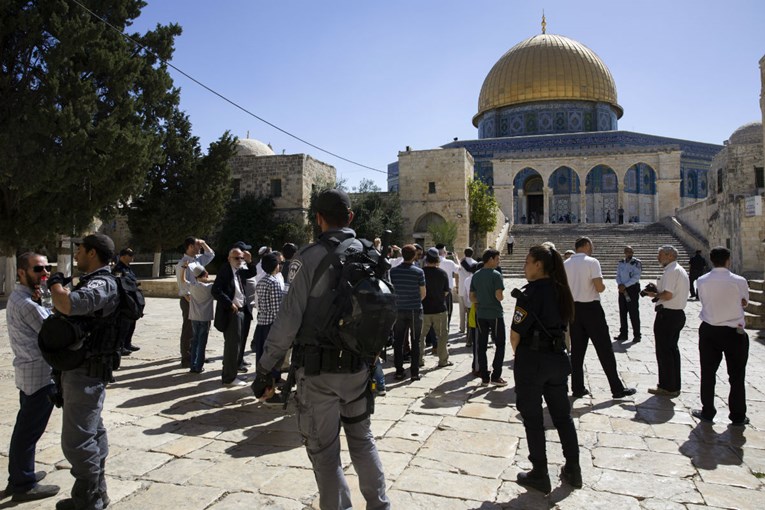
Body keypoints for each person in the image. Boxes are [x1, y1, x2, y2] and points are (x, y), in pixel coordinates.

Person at [251, 188, 390, 509]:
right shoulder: (370, 253)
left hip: (319, 374)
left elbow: (288, 320)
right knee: (363, 441)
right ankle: (380, 505)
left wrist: (266, 368)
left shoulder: (309, 257)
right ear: (351, 218)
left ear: (318, 219)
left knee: (325, 453)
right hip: (359, 368)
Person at [48, 233, 121, 510]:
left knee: (76, 440)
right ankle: (96, 493)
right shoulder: (98, 280)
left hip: (85, 372)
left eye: (80, 249)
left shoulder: (102, 282)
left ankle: (88, 499)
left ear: (92, 253)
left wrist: (55, 284)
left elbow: (68, 304)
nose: (76, 254)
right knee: (92, 432)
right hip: (86, 368)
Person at [511, 245, 581, 494]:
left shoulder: (529, 294)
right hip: (558, 359)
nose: (525, 266)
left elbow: (516, 334)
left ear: (538, 264)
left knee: (533, 418)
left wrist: (520, 357)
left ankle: (540, 472)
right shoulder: (562, 290)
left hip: (533, 360)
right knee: (563, 416)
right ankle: (574, 468)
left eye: (527, 261)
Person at [4, 252, 60, 502]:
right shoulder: (26, 304)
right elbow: (53, 331)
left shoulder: (24, 297)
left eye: (47, 268)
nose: (45, 273)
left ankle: (21, 474)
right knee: (28, 432)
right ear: (21, 272)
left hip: (29, 373)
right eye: (38, 269)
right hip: (38, 376)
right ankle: (22, 484)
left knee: (26, 429)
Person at [564, 237, 636, 399]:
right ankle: (616, 388)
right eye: (591, 245)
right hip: (591, 309)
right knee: (604, 349)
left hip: (574, 309)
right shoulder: (592, 262)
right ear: (587, 245)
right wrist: (601, 285)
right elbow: (599, 287)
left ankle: (577, 387)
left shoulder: (566, 264)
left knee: (577, 351)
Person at [692, 247, 750, 425]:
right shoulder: (739, 281)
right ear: (728, 260)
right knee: (737, 375)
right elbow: (745, 303)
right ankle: (738, 415)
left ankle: (708, 411)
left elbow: (703, 300)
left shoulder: (701, 281)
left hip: (709, 330)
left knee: (708, 373)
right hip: (734, 332)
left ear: (711, 260)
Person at [642, 245, 689, 398]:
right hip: (676, 315)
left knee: (664, 352)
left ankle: (667, 386)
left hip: (667, 316)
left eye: (660, 254)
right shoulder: (678, 270)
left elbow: (668, 295)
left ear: (669, 256)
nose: (658, 257)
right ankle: (673, 385)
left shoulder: (671, 271)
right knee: (671, 350)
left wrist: (652, 294)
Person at [212, 247, 258, 386]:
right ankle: (229, 378)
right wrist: (230, 304)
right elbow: (215, 290)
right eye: (236, 258)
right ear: (229, 258)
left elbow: (252, 273)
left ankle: (231, 373)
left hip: (242, 310)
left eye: (241, 258)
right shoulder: (225, 270)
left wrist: (249, 261)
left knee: (236, 344)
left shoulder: (239, 270)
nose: (239, 261)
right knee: (232, 345)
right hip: (232, 312)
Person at [469, 248, 508, 387]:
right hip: (495, 313)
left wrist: (481, 301)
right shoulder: (496, 275)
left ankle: (484, 376)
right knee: (500, 344)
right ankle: (496, 375)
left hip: (481, 314)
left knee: (482, 345)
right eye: (497, 259)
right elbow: (499, 296)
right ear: (490, 259)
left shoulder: (476, 275)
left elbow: (472, 297)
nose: (498, 262)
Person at [176, 237, 214, 368]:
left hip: (197, 299)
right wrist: (192, 302)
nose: (200, 247)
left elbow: (211, 254)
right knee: (189, 330)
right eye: (197, 245)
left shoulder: (198, 259)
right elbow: (182, 286)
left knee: (197, 332)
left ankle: (197, 356)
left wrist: (203, 243)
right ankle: (186, 357)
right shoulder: (182, 263)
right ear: (190, 246)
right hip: (189, 300)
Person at [389, 244, 426, 381]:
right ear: (414, 255)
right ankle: (415, 372)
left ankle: (399, 371)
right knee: (415, 341)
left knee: (398, 341)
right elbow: (423, 293)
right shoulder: (418, 272)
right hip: (414, 310)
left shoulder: (393, 272)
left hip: (398, 310)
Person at [421, 248, 451, 369]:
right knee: (442, 335)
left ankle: (419, 360)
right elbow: (446, 292)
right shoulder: (442, 273)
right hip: (439, 309)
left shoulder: (421, 272)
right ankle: (443, 360)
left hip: (424, 309)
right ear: (437, 259)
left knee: (420, 337)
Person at [186, 265, 214, 374]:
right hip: (205, 317)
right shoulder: (209, 287)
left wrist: (183, 269)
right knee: (202, 342)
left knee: (195, 341)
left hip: (194, 316)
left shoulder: (192, 286)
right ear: (205, 274)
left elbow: (183, 280)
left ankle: (192, 365)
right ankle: (199, 366)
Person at [112, 248, 140, 356]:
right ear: (123, 256)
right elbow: (118, 283)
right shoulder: (118, 269)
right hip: (124, 300)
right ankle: (120, 346)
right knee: (123, 324)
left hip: (132, 298)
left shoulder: (128, 268)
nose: (132, 257)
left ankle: (128, 343)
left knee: (132, 321)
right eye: (130, 255)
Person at [614, 246, 642, 343]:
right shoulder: (621, 262)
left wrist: (625, 285)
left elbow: (636, 277)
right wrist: (619, 284)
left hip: (632, 289)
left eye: (630, 251)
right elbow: (618, 275)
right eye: (627, 251)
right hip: (622, 290)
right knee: (623, 312)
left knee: (633, 312)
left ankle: (637, 334)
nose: (629, 253)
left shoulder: (636, 263)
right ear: (624, 253)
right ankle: (623, 333)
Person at [457, 247, 478, 336]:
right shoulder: (475, 263)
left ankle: (462, 328)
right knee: (470, 311)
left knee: (462, 311)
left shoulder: (460, 263)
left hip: (462, 288)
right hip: (471, 290)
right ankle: (470, 329)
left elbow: (457, 274)